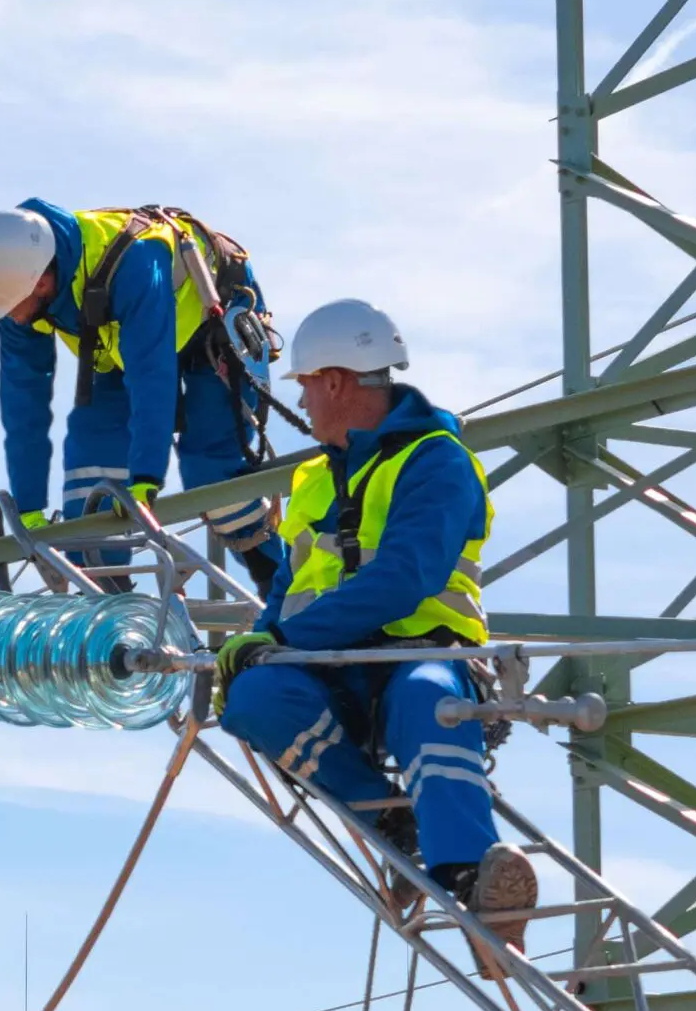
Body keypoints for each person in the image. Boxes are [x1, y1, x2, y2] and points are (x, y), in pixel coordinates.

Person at [210, 299, 537, 961]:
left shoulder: (435, 460)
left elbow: (404, 578)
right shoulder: (312, 480)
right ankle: (390, 818)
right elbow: (294, 583)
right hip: (336, 670)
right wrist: (261, 638)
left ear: (335, 380)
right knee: (254, 700)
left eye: (305, 384)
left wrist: (289, 642)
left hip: (425, 653)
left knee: (429, 703)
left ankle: (472, 879)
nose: (302, 402)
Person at [0, 201, 284, 584]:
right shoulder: (17, 295)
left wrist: (146, 474)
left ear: (42, 281)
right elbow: (22, 401)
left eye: (14, 308)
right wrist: (29, 504)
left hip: (209, 330)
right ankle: (114, 614)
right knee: (90, 486)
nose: (12, 317)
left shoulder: (137, 260)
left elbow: (151, 370)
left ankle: (284, 589)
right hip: (119, 351)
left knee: (212, 475)